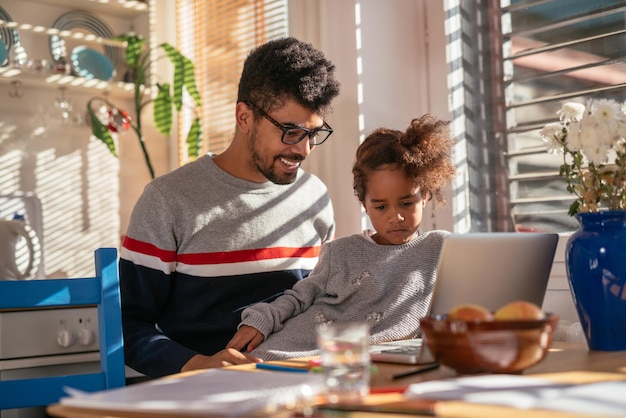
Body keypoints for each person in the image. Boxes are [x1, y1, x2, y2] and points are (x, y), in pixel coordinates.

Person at [119, 37, 341, 378]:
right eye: (291, 131)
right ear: (244, 117)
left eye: (313, 133)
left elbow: (320, 301)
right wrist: (196, 365)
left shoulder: (314, 197)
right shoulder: (168, 199)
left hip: (303, 387)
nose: (304, 150)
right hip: (206, 396)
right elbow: (126, 325)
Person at [226, 114, 457, 361]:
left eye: (406, 202)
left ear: (426, 196)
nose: (395, 217)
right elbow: (300, 296)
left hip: (366, 359)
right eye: (380, 207)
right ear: (365, 204)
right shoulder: (340, 251)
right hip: (294, 348)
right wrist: (263, 320)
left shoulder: (442, 248)